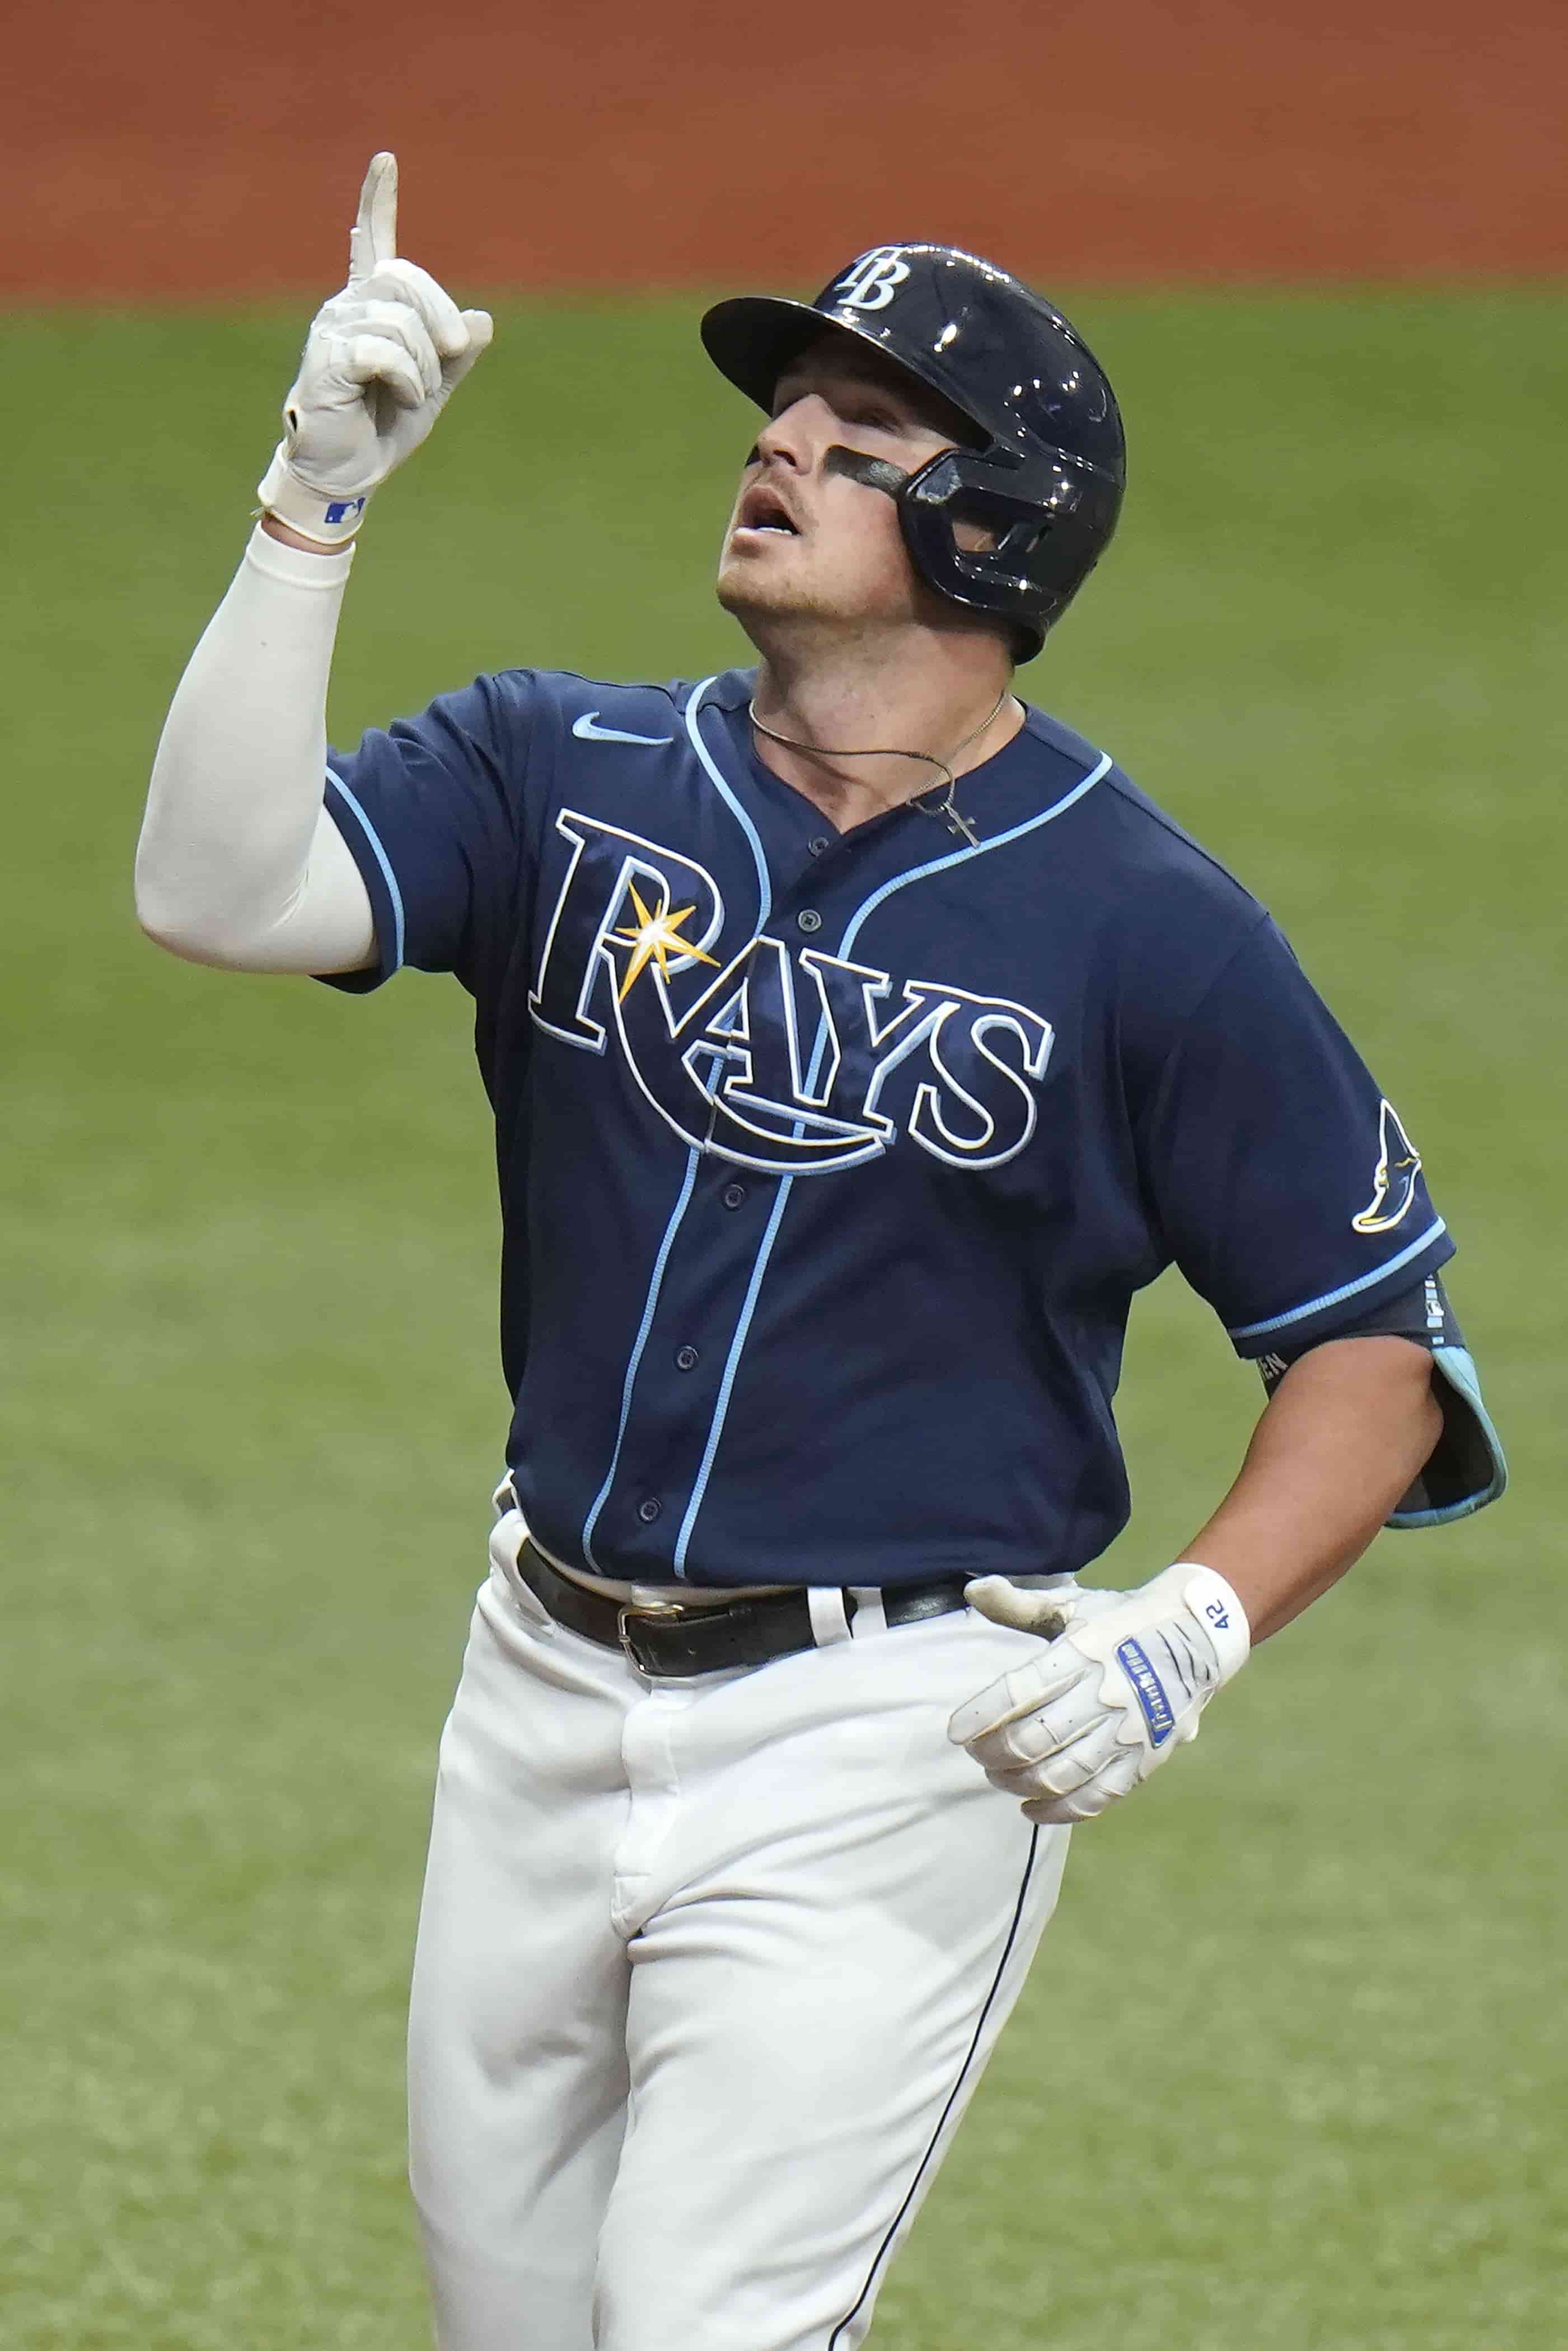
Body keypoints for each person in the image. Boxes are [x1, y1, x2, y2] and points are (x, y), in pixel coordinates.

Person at [135, 155, 1505, 2351]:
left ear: (998, 525)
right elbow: (216, 892)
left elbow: (1372, 1343)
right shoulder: (559, 769)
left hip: (885, 1742)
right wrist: (313, 504)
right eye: (780, 413)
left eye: (860, 432)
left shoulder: (1141, 926)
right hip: (535, 1683)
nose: (777, 443)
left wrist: (1185, 1632)